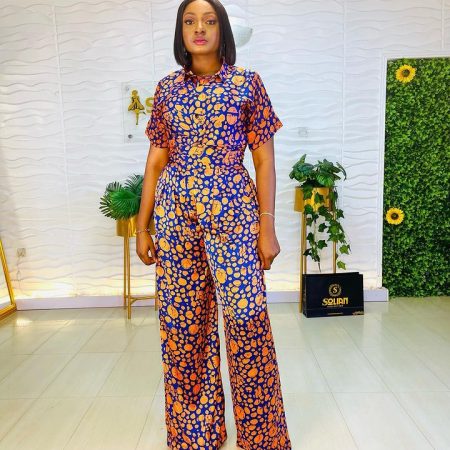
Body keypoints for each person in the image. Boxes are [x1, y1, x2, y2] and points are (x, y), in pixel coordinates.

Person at [136, 0, 292, 448]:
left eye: (208, 20)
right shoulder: (167, 89)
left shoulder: (247, 84)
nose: (199, 28)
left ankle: (261, 436)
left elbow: (264, 161)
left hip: (235, 215)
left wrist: (267, 225)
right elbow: (155, 162)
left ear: (222, 29)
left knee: (247, 320)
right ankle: (196, 434)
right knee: (184, 326)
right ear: (180, 32)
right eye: (189, 21)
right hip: (175, 217)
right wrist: (143, 227)